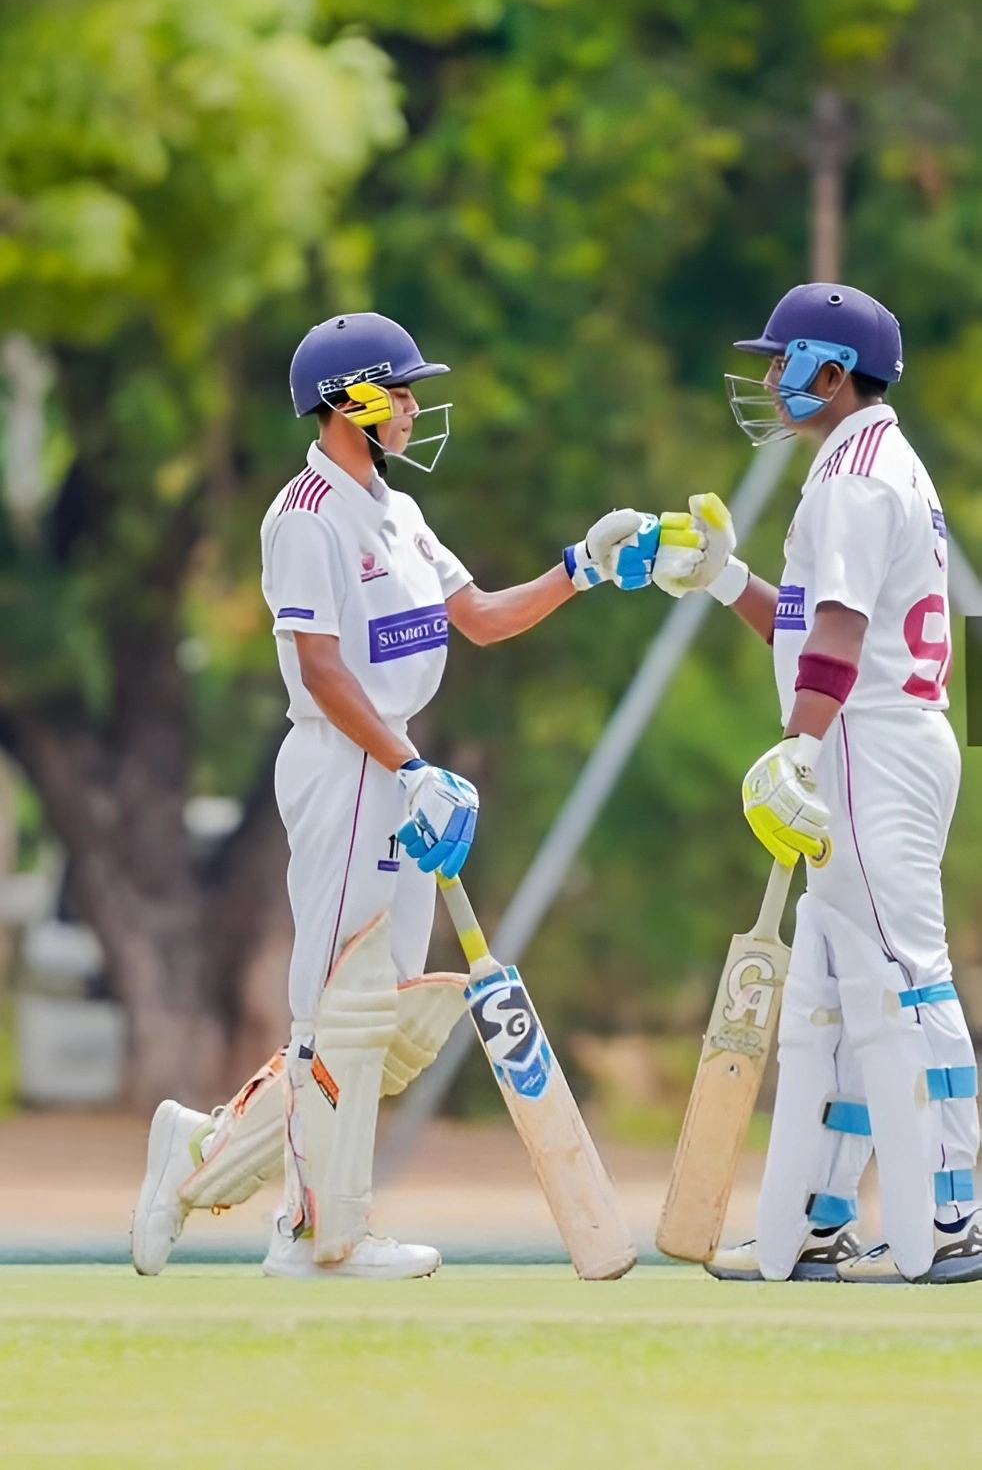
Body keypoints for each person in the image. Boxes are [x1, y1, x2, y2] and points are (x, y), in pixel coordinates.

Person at [132, 311, 698, 1280]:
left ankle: (201, 1156)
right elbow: (318, 668)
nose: (410, 406)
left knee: (379, 1019)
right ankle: (315, 1238)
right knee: (343, 1007)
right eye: (396, 389)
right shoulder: (305, 514)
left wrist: (585, 568)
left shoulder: (394, 510)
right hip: (347, 765)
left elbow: (475, 618)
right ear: (345, 400)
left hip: (393, 764)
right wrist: (410, 770)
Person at [655, 282, 982, 1284]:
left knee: (902, 982)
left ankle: (956, 1215)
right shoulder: (878, 461)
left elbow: (837, 640)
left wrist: (802, 743)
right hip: (873, 732)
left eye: (781, 360)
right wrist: (723, 576)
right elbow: (807, 627)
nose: (765, 379)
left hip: (864, 743)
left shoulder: (854, 476)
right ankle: (822, 1218)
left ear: (829, 375)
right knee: (838, 999)